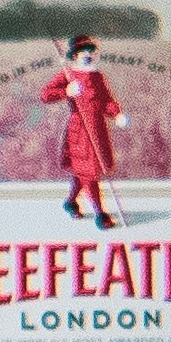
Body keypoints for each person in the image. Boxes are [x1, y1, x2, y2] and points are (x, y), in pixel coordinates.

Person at [46, 30, 125, 234]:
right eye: (83, 51)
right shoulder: (68, 75)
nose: (88, 54)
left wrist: (117, 114)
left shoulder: (97, 76)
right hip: (79, 130)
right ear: (75, 55)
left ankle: (71, 202)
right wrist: (66, 91)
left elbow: (106, 101)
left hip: (98, 129)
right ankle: (101, 213)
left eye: (90, 50)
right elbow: (46, 95)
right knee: (89, 173)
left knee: (86, 172)